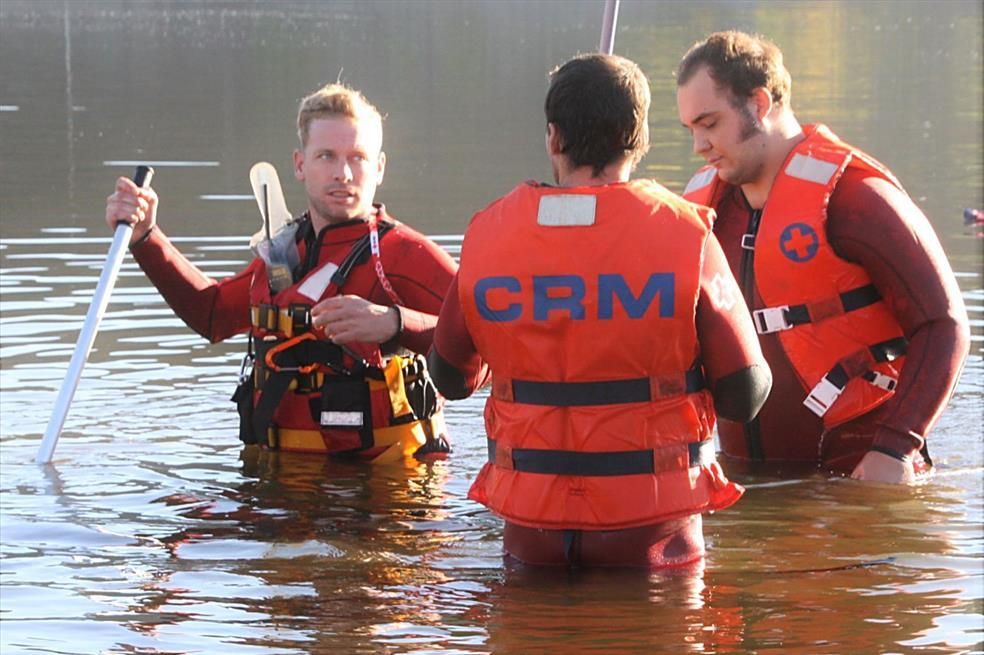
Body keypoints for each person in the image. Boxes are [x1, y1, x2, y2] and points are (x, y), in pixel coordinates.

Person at [428, 54, 771, 568]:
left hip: (532, 539)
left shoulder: (487, 234)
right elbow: (744, 394)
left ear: (553, 138)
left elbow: (449, 379)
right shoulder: (686, 235)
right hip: (653, 540)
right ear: (639, 140)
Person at [675, 31, 970, 484]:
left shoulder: (856, 198)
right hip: (745, 482)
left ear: (758, 103)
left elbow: (945, 323)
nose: (698, 145)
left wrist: (896, 447)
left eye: (710, 124)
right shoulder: (705, 210)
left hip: (859, 479)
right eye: (690, 128)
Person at [105, 83, 457, 463]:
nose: (343, 173)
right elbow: (212, 315)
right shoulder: (284, 253)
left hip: (384, 492)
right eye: (326, 156)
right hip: (279, 485)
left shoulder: (404, 255)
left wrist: (394, 323)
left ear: (380, 167)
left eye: (358, 157)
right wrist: (146, 238)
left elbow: (485, 350)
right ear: (300, 164)